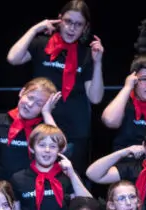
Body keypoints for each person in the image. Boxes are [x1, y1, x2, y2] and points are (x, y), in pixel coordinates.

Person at [6, 0, 105, 176]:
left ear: (85, 27)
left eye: (78, 24)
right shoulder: (42, 45)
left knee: (70, 180)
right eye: (68, 21)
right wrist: (35, 29)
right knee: (36, 178)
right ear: (59, 20)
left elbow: (95, 98)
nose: (72, 28)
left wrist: (97, 63)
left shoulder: (86, 54)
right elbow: (13, 58)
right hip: (40, 125)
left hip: (74, 129)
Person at [11, 123, 93, 210]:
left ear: (59, 151)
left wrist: (72, 175)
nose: (47, 150)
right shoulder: (18, 178)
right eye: (42, 145)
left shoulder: (68, 176)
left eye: (53, 146)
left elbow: (89, 205)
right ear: (32, 148)